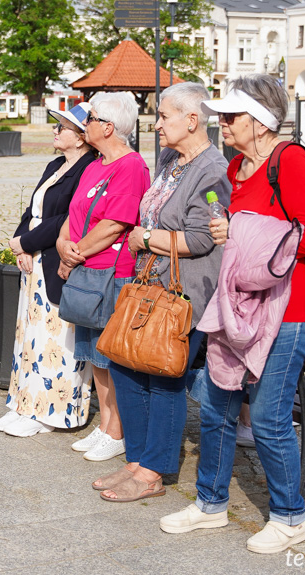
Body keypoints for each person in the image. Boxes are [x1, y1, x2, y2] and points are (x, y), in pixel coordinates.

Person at [160, 75, 305, 554]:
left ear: (259, 121)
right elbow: (245, 233)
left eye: (231, 117)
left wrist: (243, 232)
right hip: (237, 307)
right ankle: (211, 503)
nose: (223, 123)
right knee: (216, 409)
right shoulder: (237, 168)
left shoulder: (289, 160)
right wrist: (229, 232)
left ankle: (290, 517)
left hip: (287, 312)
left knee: (271, 419)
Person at [94, 83, 231, 501]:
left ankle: (154, 470)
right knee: (125, 365)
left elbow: (203, 239)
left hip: (185, 293)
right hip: (148, 284)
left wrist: (145, 238)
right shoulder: (171, 159)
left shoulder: (213, 171)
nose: (157, 125)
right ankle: (137, 458)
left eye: (165, 116)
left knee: (163, 374)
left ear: (192, 120)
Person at [55, 92, 150, 462]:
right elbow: (74, 211)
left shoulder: (131, 167)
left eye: (91, 118)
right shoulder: (95, 164)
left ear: (108, 127)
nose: (86, 123)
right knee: (93, 352)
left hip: (111, 272)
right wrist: (64, 243)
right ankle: (106, 422)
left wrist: (74, 252)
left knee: (109, 354)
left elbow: (114, 225)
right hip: (85, 270)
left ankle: (117, 429)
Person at [0, 103, 95, 437]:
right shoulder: (55, 164)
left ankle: (53, 411)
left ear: (81, 138)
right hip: (35, 259)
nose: (55, 131)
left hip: (55, 259)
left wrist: (27, 242)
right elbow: (32, 207)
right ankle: (25, 403)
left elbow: (64, 220)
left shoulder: (86, 169)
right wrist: (21, 240)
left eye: (62, 127)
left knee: (55, 339)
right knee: (30, 337)